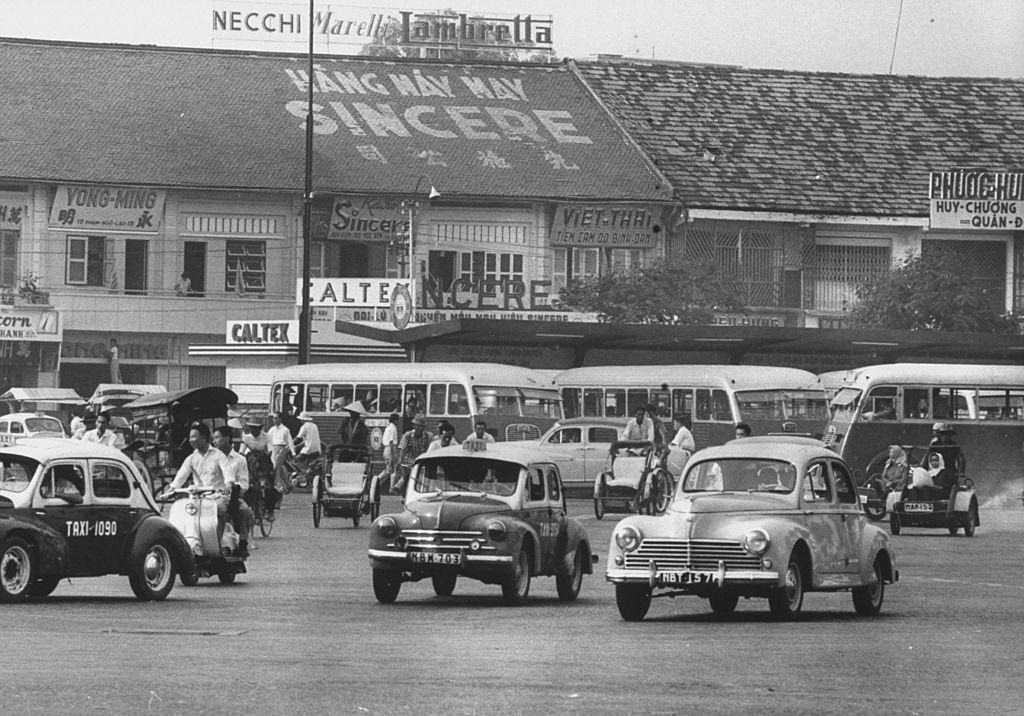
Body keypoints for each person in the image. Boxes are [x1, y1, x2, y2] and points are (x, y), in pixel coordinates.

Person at [212, 425, 254, 558]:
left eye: (217, 438)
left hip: (233, 497)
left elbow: (244, 483)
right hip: (212, 496)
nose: (214, 441)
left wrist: (233, 488)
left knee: (245, 511)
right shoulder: (211, 458)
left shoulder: (239, 459)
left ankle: (243, 542)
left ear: (226, 439)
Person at [392, 413, 432, 494]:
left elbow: (429, 449)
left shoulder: (427, 436)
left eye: (422, 426)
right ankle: (400, 490)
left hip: (421, 461)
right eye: (418, 426)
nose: (420, 428)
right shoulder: (408, 435)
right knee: (406, 477)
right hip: (408, 461)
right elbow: (402, 448)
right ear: (414, 426)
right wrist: (399, 461)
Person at [266, 411, 294, 494]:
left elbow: (290, 441)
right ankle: (288, 485)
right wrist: (269, 450)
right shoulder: (271, 430)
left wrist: (293, 453)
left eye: (276, 418)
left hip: (282, 448)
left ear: (280, 419)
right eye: (273, 418)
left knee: (276, 467)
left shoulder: (285, 429)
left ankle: (279, 486)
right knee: (278, 468)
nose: (274, 420)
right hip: (273, 449)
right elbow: (268, 440)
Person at [291, 411, 322, 486]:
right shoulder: (314, 425)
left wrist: (290, 443)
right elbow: (308, 439)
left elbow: (298, 439)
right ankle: (306, 473)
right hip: (317, 449)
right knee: (305, 462)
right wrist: (298, 446)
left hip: (308, 449)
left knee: (295, 460)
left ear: (302, 420)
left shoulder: (304, 427)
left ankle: (303, 475)